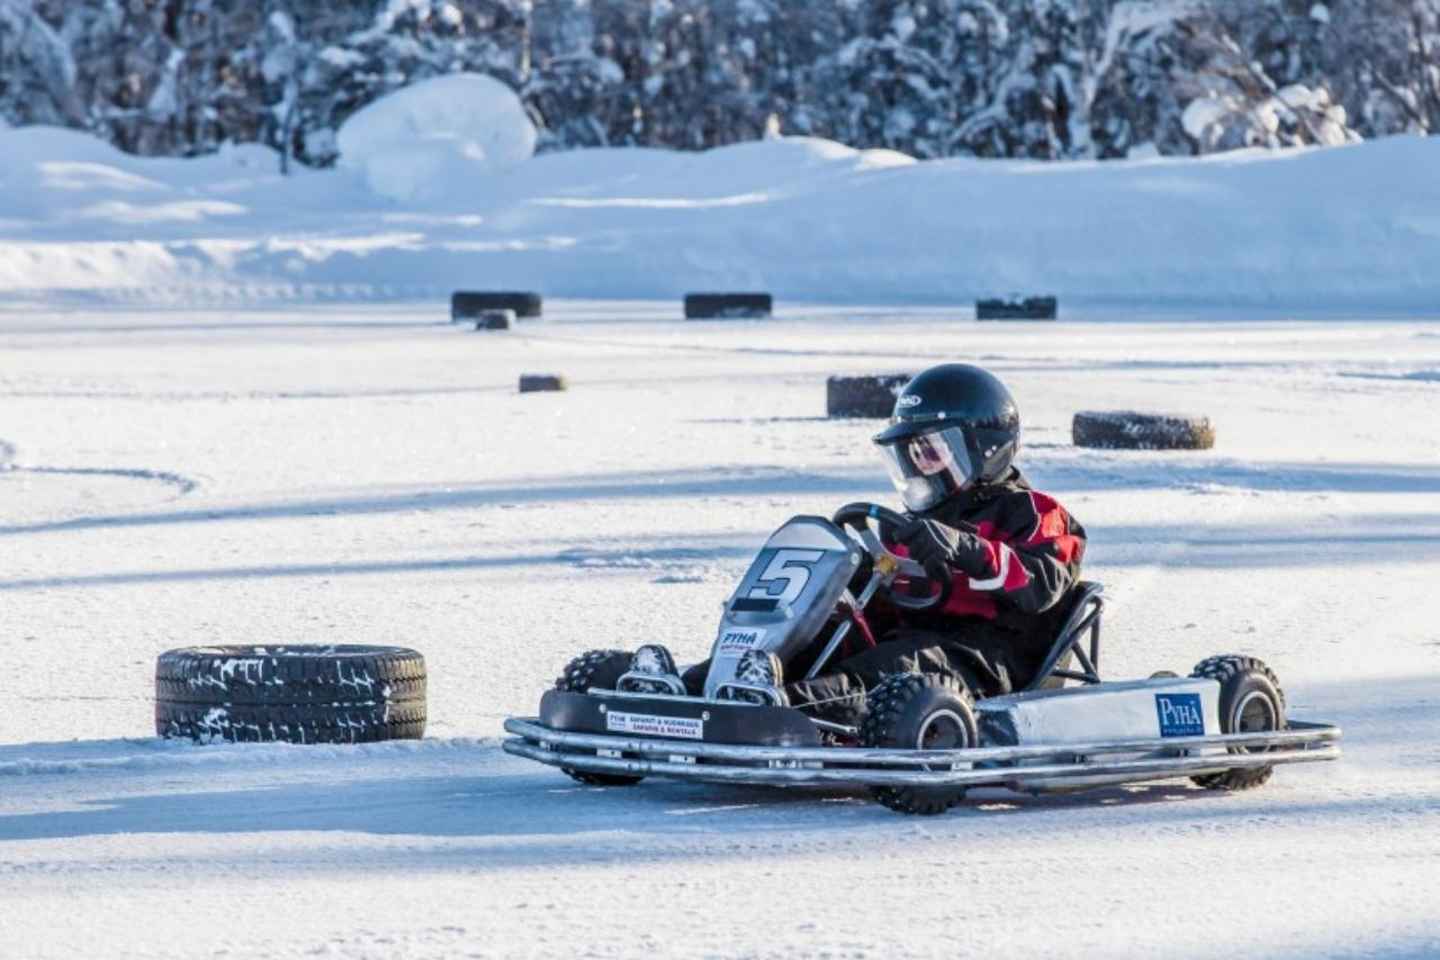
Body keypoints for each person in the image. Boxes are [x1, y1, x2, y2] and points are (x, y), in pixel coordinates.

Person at [584, 363, 1086, 725]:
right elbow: (892, 588)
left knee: (887, 669)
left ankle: (778, 710)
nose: (919, 466)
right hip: (909, 640)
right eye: (912, 454)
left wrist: (963, 548)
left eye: (931, 451)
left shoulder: (1035, 512)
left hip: (980, 657)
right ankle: (682, 694)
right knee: (822, 636)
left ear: (982, 448)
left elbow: (1040, 584)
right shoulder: (916, 522)